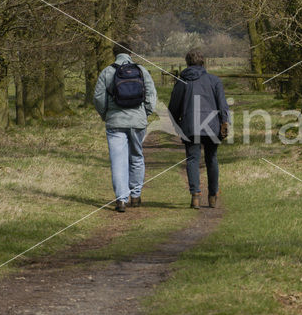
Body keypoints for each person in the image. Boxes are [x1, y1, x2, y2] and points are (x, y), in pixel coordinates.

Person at [94, 42, 157, 212]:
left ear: (114, 54)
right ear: (130, 53)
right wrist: (145, 113)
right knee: (137, 156)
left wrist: (105, 114)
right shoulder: (141, 71)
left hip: (115, 122)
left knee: (118, 160)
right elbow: (151, 96)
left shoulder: (107, 72)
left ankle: (121, 200)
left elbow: (99, 98)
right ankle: (135, 196)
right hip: (138, 121)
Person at [168, 50, 230, 209]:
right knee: (212, 159)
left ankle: (195, 196)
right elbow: (222, 104)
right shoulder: (214, 80)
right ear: (203, 63)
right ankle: (212, 196)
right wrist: (224, 122)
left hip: (190, 125)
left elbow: (173, 107)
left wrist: (177, 124)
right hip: (212, 125)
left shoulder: (182, 81)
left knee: (192, 159)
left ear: (187, 63)